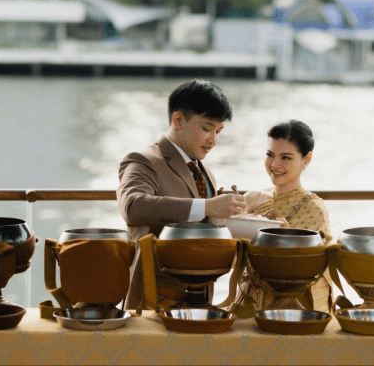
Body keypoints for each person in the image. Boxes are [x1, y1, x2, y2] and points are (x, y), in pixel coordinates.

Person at [117, 79, 247, 309]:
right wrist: (207, 206)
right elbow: (133, 207)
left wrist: (243, 217)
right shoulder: (143, 159)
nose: (213, 140)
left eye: (218, 131)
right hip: (153, 300)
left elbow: (208, 224)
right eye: (207, 129)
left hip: (200, 300)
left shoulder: (205, 171)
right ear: (178, 120)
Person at [238, 119, 332, 312]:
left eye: (286, 158)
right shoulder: (253, 199)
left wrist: (288, 239)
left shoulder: (313, 209)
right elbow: (231, 259)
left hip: (290, 307)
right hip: (247, 301)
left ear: (306, 159)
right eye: (270, 155)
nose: (275, 164)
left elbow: (315, 269)